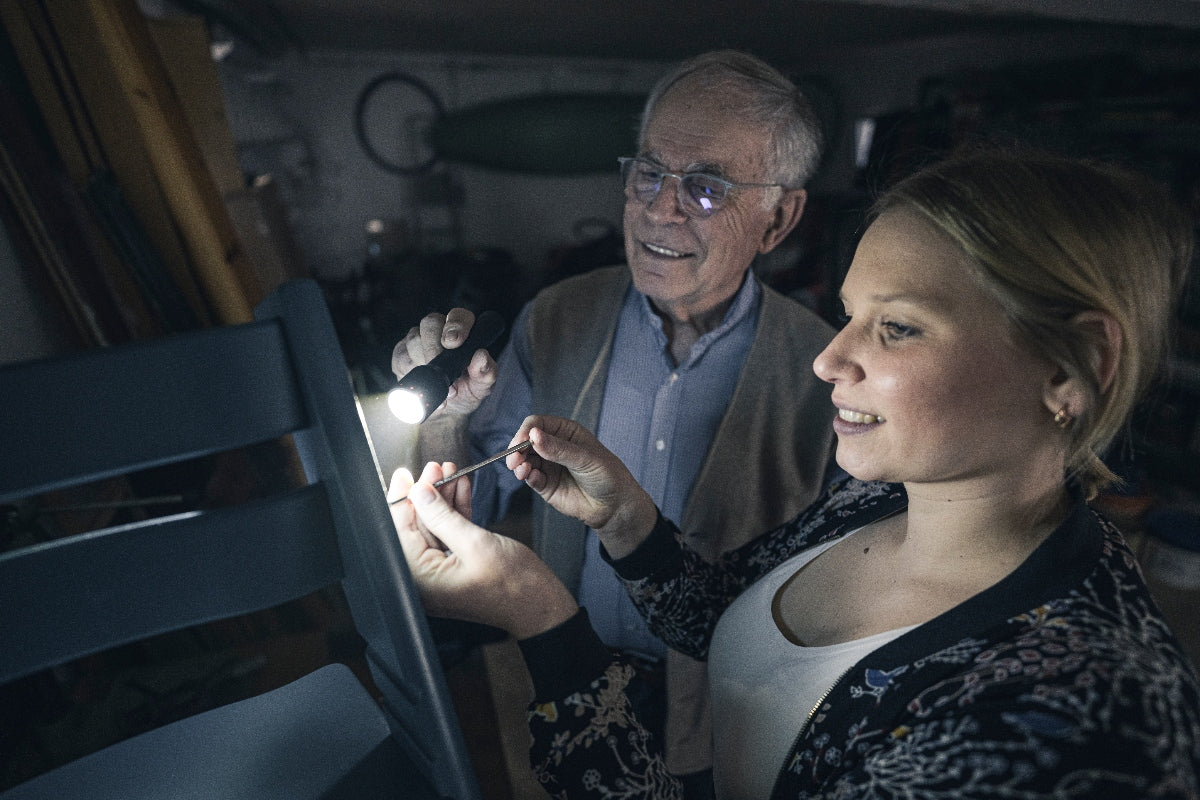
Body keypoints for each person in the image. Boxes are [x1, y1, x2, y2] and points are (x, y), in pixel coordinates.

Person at [391, 147, 1200, 799]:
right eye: (850, 314)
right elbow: (733, 623)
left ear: (1074, 367)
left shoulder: (1077, 722)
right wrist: (624, 517)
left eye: (898, 328)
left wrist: (539, 618)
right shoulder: (877, 499)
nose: (828, 358)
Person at [392, 50, 835, 791]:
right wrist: (447, 419)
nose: (660, 207)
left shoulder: (826, 373)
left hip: (732, 721)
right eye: (649, 172)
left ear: (778, 217)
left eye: (705, 187)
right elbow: (482, 499)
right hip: (568, 674)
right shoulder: (561, 314)